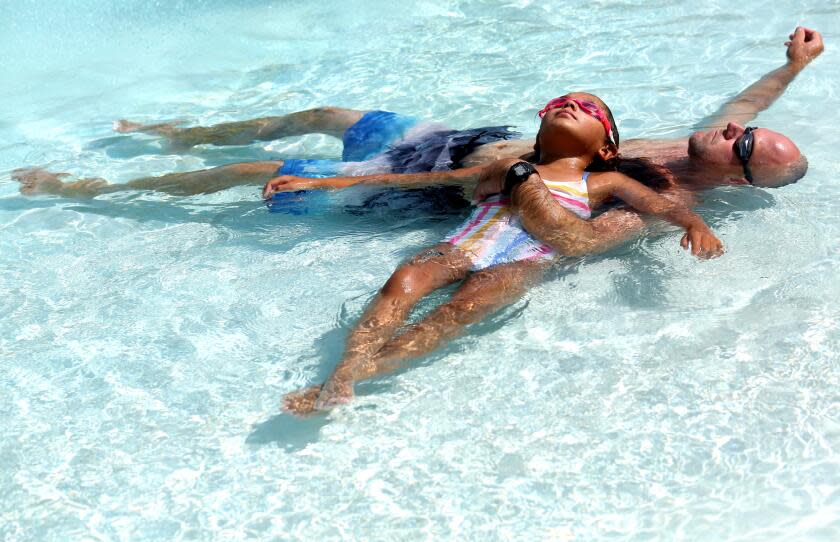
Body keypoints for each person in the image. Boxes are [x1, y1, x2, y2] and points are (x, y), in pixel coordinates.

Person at [279, 92, 723, 415]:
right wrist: (323, 184)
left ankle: (350, 379)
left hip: (521, 262)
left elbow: (659, 204)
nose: (571, 106)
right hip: (462, 244)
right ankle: (344, 369)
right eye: (560, 102)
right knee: (405, 279)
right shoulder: (500, 167)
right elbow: (425, 180)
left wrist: (695, 224)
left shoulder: (600, 183)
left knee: (454, 313)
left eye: (589, 109)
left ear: (606, 148)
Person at [13, 27, 822, 199]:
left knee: (264, 173)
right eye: (736, 127)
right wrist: (792, 65)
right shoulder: (697, 144)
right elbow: (744, 100)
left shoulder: (664, 192)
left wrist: (338, 190)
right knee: (327, 109)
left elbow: (541, 213)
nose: (730, 125)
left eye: (741, 140)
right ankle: (171, 132)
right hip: (445, 140)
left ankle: (91, 191)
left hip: (418, 185)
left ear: (742, 175)